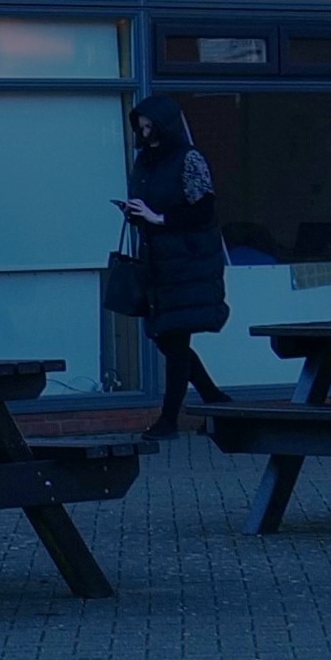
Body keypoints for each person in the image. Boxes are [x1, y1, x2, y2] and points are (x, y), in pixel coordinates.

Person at [115, 90, 235, 443]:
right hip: (159, 263)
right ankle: (217, 403)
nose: (145, 132)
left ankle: (169, 419)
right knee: (169, 340)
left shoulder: (189, 159)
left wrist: (159, 217)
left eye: (150, 125)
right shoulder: (145, 162)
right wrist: (136, 214)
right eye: (141, 126)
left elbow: (204, 210)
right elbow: (150, 208)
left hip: (188, 262)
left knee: (175, 339)